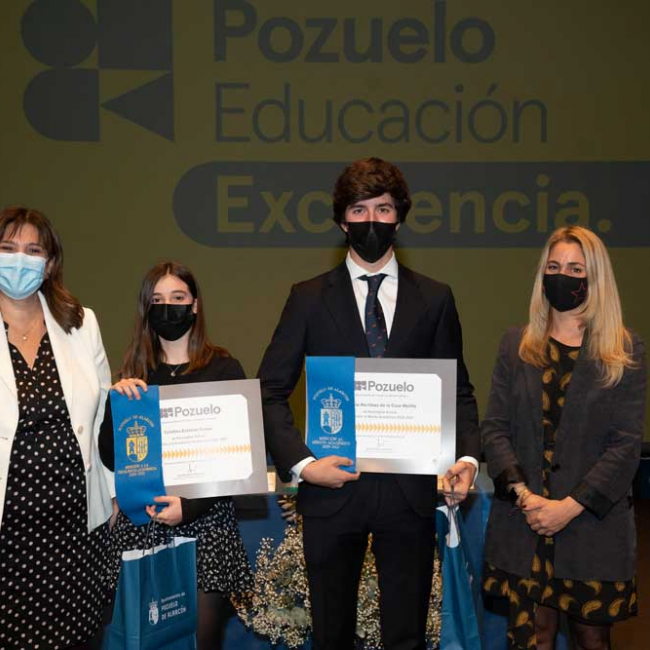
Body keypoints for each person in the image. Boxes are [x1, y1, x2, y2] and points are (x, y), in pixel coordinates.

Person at [257, 158, 480, 650]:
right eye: (359, 210)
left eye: (383, 209)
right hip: (331, 490)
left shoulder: (435, 299)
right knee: (330, 636)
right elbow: (269, 391)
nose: (371, 221)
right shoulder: (308, 298)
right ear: (342, 220)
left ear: (400, 217)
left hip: (409, 494)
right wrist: (304, 465)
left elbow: (457, 390)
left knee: (406, 637)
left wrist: (466, 459)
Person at [482, 226, 647, 650]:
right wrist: (527, 498)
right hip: (524, 525)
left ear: (596, 278)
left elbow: (625, 444)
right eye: (554, 267)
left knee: (591, 640)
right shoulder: (515, 345)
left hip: (591, 527)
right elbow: (495, 428)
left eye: (576, 269)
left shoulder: (624, 350)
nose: (563, 276)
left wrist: (567, 508)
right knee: (532, 637)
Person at [98, 261, 252, 650]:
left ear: (194, 305)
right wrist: (117, 405)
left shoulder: (223, 368)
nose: (168, 307)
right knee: (139, 639)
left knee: (201, 641)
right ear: (146, 309)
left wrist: (190, 506)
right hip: (142, 523)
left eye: (178, 297)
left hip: (206, 524)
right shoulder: (135, 372)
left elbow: (238, 458)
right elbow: (112, 457)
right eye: (157, 300)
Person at [0, 206, 113, 649]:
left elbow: (101, 418)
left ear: (49, 263)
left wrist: (115, 496)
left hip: (75, 536)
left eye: (33, 251)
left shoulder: (81, 323)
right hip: (9, 536)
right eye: (8, 248)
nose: (19, 260)